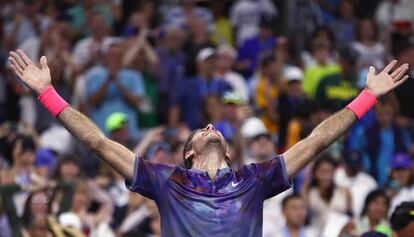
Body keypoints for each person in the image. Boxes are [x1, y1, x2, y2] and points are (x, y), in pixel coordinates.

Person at [8, 49, 409, 236]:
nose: (211, 125)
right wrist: (47, 93)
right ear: (188, 152)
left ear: (230, 152)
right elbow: (98, 142)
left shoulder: (256, 179)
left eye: (214, 127)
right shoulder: (166, 181)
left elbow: (317, 140)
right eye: (201, 128)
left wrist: (368, 96)